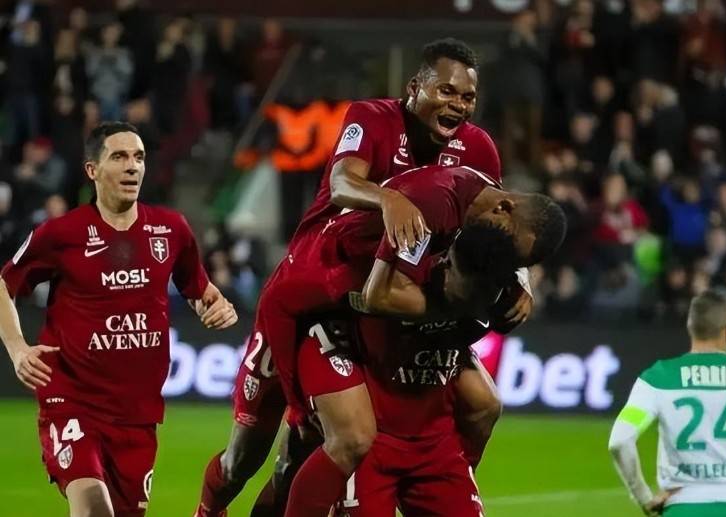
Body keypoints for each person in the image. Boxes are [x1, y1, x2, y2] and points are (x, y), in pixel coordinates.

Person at [196, 37, 533, 517]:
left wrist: (521, 277)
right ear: (415, 88)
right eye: (446, 91)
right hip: (313, 293)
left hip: (383, 314)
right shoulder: (373, 118)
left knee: (478, 404)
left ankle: (447, 479)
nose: (458, 105)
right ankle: (208, 510)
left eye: (467, 97)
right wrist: (390, 198)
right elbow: (341, 182)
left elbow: (498, 227)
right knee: (245, 458)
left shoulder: (477, 148)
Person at [0, 122, 238, 517]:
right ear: (92, 170)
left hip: (137, 415)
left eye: (139, 157)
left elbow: (200, 290)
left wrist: (216, 306)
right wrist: (17, 348)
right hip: (72, 401)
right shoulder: (62, 234)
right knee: (94, 507)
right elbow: (4, 284)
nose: (132, 166)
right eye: (120, 156)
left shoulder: (172, 230)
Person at [296, 225, 529, 517]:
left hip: (437, 449)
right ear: (447, 263)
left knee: (487, 404)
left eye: (484, 296)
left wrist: (525, 280)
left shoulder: (502, 299)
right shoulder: (391, 286)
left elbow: (524, 231)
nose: (471, 305)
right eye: (468, 293)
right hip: (374, 445)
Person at [609, 288, 726, 517]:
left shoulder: (658, 378)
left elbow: (620, 441)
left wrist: (643, 496)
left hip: (682, 508)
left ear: (691, 327)